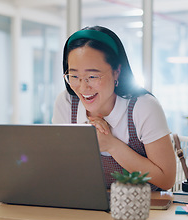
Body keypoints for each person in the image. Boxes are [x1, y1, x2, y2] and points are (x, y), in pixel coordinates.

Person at [52, 26, 176, 191]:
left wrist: (110, 144)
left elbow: (167, 179)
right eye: (74, 76)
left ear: (117, 72)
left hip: (144, 209)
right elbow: (60, 169)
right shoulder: (67, 103)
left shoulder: (143, 106)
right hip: (87, 207)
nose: (82, 87)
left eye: (93, 76)